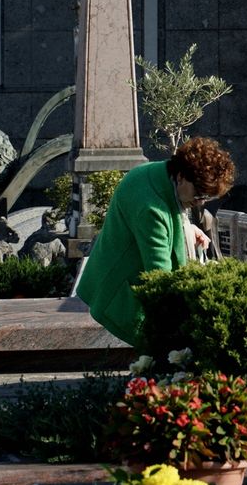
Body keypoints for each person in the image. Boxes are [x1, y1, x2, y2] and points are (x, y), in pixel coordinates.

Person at [77, 137, 235, 345]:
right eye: (199, 195)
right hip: (120, 296)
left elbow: (172, 215)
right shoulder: (150, 208)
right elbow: (160, 277)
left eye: (208, 197)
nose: (201, 202)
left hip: (117, 278)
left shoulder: (157, 173)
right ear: (181, 177)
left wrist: (188, 229)